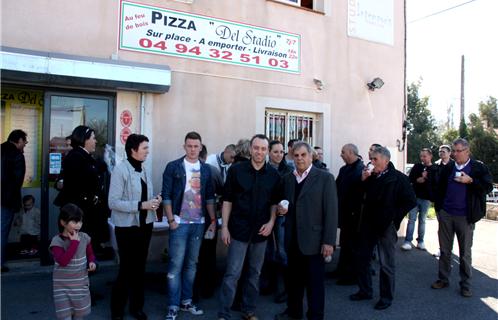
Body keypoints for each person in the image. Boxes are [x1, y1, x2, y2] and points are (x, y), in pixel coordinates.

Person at [218, 134, 280, 320]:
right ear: (250, 149)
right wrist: (225, 227)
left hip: (261, 232)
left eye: (263, 149)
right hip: (238, 230)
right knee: (232, 274)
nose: (259, 152)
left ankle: (249, 310)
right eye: (256, 148)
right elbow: (227, 200)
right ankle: (224, 313)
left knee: (254, 274)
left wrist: (271, 223)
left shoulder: (273, 175)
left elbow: (274, 204)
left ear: (267, 151)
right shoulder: (236, 171)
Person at [274, 141, 338, 320]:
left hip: (315, 242)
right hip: (292, 240)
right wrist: (281, 209)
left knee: (315, 286)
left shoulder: (325, 178)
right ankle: (294, 314)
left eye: (303, 155)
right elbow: (283, 203)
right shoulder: (287, 178)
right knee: (293, 284)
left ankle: (315, 316)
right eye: (296, 155)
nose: (300, 158)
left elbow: (331, 212)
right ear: (292, 157)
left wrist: (329, 241)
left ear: (311, 156)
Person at [350, 146, 416, 310]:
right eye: (370, 159)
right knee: (362, 257)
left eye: (375, 159)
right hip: (368, 223)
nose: (371, 162)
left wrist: (394, 218)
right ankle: (365, 290)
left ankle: (386, 297)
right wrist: (363, 180)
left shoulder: (398, 178)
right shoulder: (370, 176)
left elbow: (410, 201)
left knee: (386, 263)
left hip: (386, 226)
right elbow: (357, 195)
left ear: (386, 161)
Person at [162, 132, 216, 320]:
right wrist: (171, 220)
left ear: (201, 147)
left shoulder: (207, 169)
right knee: (175, 265)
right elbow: (166, 195)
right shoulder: (173, 167)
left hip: (198, 224)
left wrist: (212, 221)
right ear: (184, 146)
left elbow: (209, 197)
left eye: (196, 146)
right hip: (179, 223)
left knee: (192, 265)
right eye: (189, 146)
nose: (193, 149)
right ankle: (173, 305)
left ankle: (186, 301)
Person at [431, 138, 493, 298]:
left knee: (465, 253)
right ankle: (443, 279)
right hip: (446, 214)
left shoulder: (478, 167)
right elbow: (439, 188)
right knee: (445, 250)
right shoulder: (449, 167)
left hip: (465, 216)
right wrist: (439, 209)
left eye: (459, 151)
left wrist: (471, 180)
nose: (455, 154)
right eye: (454, 150)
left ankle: (466, 285)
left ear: (467, 151)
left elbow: (487, 187)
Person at [108, 134, 161, 320]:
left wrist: (155, 201)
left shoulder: (144, 169)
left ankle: (136, 307)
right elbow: (113, 202)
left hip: (144, 225)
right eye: (145, 148)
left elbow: (146, 196)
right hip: (127, 228)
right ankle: (117, 311)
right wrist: (141, 205)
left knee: (139, 269)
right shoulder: (120, 170)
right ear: (133, 150)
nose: (148, 151)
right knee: (126, 269)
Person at [55, 126, 106, 250]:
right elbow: (80, 185)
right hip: (79, 214)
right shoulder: (76, 157)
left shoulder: (85, 157)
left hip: (85, 212)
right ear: (85, 139)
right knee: (78, 249)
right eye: (93, 138)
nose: (96, 141)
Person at [50, 203, 97, 320]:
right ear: (63, 223)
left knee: (79, 315)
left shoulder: (85, 237)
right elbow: (63, 261)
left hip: (80, 285)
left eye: (80, 221)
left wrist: (92, 262)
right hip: (62, 287)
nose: (78, 225)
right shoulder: (57, 241)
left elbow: (90, 253)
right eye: (74, 222)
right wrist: (74, 243)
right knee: (65, 316)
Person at [332, 143, 364, 285]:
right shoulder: (344, 169)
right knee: (344, 243)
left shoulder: (361, 170)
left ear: (351, 153)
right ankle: (341, 270)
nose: (341, 154)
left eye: (343, 152)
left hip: (355, 215)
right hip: (344, 213)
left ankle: (352, 275)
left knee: (353, 246)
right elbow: (336, 187)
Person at [264, 140, 292, 302]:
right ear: (269, 152)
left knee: (282, 252)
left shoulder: (289, 170)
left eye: (282, 152)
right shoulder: (264, 170)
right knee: (267, 252)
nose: (279, 155)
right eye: (276, 152)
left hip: (282, 217)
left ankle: (284, 289)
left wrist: (287, 205)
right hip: (265, 216)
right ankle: (268, 284)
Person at [1, 129, 27, 272]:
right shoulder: (17, 155)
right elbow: (17, 181)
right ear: (19, 141)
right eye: (25, 142)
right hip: (6, 200)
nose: (25, 145)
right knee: (2, 231)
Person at [401, 148, 436, 251]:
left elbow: (435, 183)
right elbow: (410, 179)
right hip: (415, 197)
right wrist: (419, 179)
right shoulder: (417, 166)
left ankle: (420, 241)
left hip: (426, 199)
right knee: (411, 219)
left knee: (423, 220)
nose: (422, 158)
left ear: (430, 156)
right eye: (421, 156)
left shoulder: (434, 168)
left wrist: (426, 179)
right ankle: (408, 241)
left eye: (425, 156)